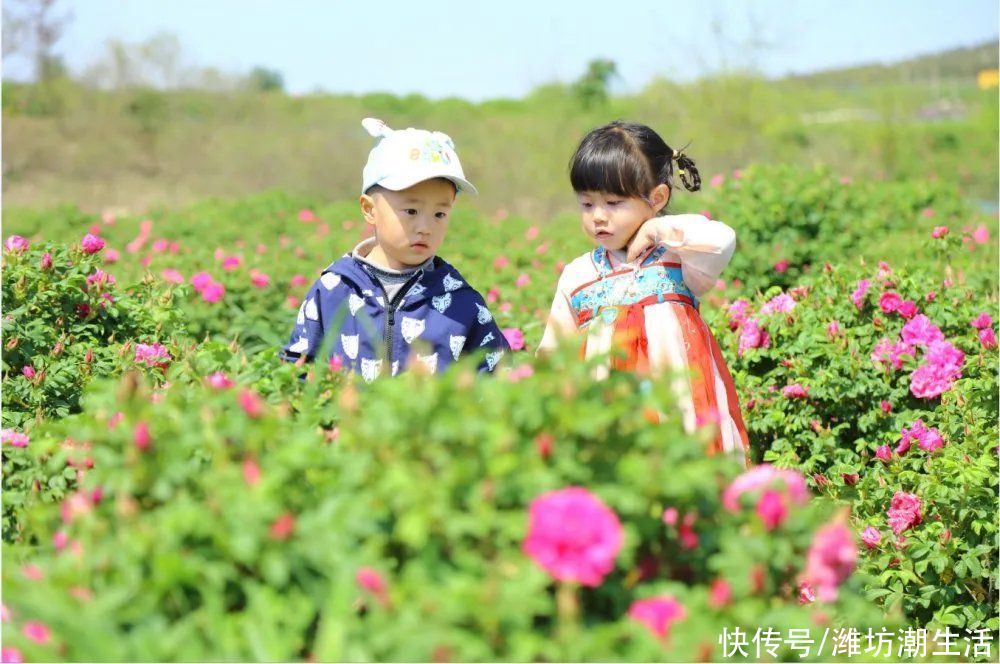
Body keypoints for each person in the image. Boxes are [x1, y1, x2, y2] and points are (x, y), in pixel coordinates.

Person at [538, 121, 749, 460]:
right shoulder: (578, 274)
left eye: (614, 202)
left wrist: (656, 228)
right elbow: (553, 352)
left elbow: (721, 239)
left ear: (658, 197)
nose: (598, 217)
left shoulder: (677, 257)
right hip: (609, 415)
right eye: (587, 204)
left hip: (681, 410)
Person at [281, 118, 509, 380]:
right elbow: (296, 368)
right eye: (411, 211)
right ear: (369, 209)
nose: (425, 227)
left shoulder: (461, 301)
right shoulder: (334, 290)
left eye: (440, 214)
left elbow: (498, 378)